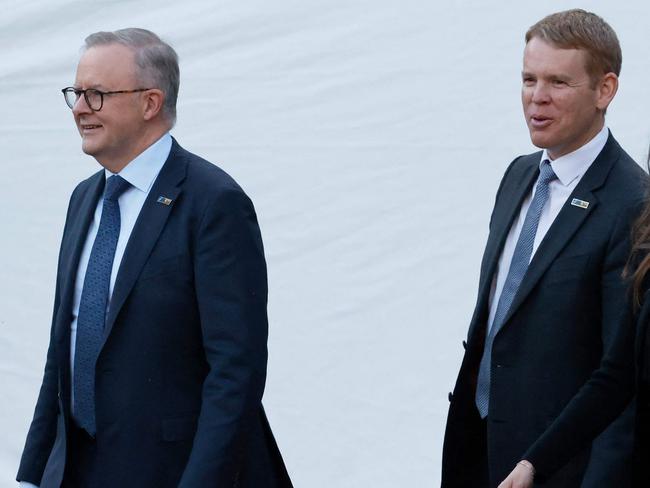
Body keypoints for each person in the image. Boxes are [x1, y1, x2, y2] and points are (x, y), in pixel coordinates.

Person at [16, 28, 293, 488]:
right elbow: (64, 348)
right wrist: (32, 473)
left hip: (171, 472)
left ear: (150, 103)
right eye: (77, 93)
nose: (81, 108)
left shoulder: (213, 202)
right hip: (75, 471)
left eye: (97, 94)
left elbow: (236, 373)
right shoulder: (85, 200)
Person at [441, 9, 646, 488]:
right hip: (480, 447)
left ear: (605, 90)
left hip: (559, 468)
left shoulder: (634, 206)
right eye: (528, 79)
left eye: (557, 82)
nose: (537, 98)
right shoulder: (518, 176)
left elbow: (622, 376)